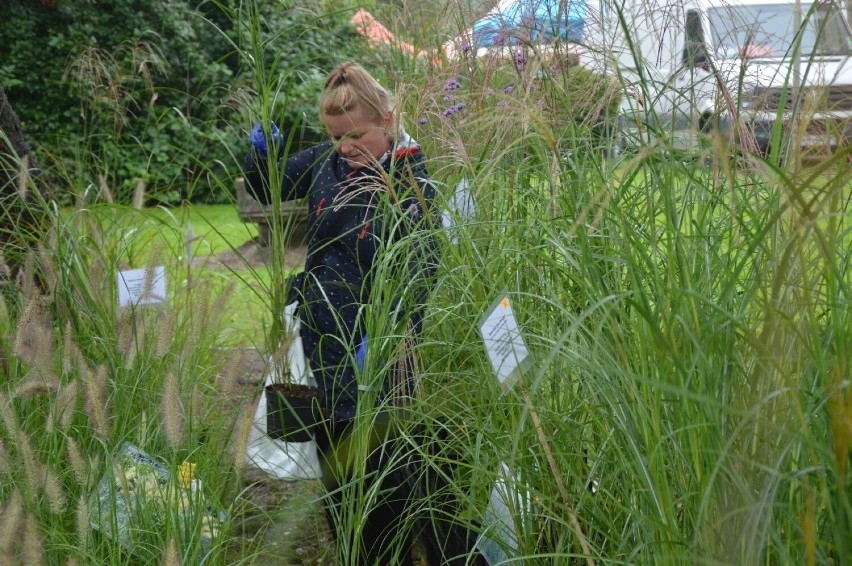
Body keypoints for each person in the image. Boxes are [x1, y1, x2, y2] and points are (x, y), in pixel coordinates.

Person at [243, 61, 439, 564]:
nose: (345, 148)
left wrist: (397, 332)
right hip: (320, 339)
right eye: (334, 138)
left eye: (355, 135)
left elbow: (422, 266)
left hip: (377, 349)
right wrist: (261, 155)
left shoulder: (412, 181)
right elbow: (270, 188)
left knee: (379, 469)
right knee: (333, 463)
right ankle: (350, 550)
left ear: (389, 119)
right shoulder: (327, 165)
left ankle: (387, 554)